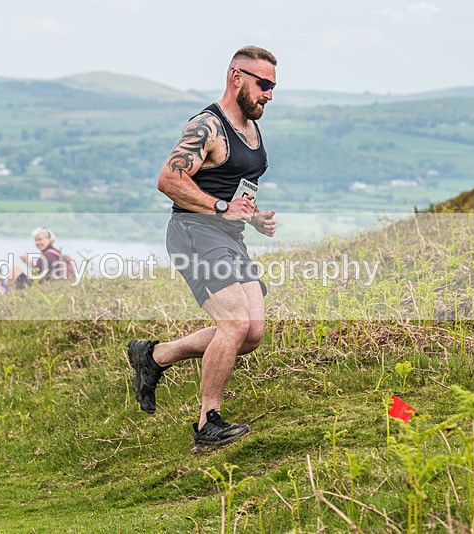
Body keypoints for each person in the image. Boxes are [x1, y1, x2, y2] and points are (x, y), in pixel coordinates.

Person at [127, 46, 278, 447]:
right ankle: (207, 423)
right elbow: (168, 180)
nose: (268, 94)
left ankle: (154, 356)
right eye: (263, 84)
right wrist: (221, 207)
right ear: (236, 77)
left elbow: (234, 189)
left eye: (273, 87)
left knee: (252, 333)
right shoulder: (207, 126)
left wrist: (253, 216)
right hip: (194, 233)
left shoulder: (251, 127)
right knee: (233, 323)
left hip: (228, 237)